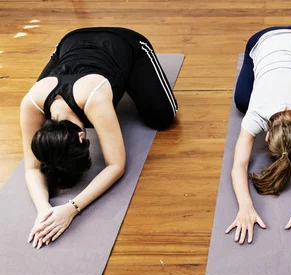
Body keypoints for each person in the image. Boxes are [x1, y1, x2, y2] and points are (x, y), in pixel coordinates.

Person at [21, 27, 178, 249]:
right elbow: (31, 167)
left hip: (122, 41)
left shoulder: (94, 98)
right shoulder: (32, 102)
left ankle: (136, 55)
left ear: (82, 135)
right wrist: (43, 209)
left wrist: (71, 208)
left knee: (162, 117)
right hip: (71, 43)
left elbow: (116, 165)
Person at [225, 26, 291, 246]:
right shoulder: (257, 114)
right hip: (261, 41)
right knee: (242, 103)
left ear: (266, 136)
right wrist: (245, 206)